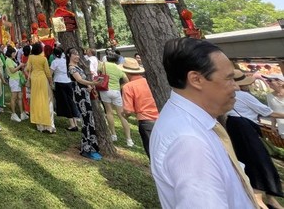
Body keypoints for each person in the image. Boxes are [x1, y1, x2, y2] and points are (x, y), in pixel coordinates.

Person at [150, 37, 257, 209]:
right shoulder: (189, 142)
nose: (236, 87)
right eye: (229, 78)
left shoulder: (192, 122)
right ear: (196, 79)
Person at [226, 69, 284, 209]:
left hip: (234, 130)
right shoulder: (243, 95)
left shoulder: (226, 95)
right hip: (247, 132)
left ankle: (269, 198)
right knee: (259, 163)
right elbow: (266, 112)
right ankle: (259, 199)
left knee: (252, 163)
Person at [67, 48, 102, 160]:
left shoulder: (77, 67)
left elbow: (82, 81)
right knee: (86, 121)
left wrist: (89, 86)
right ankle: (86, 148)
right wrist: (93, 83)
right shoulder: (71, 68)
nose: (77, 56)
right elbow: (79, 80)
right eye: (75, 54)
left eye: (78, 54)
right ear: (69, 56)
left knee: (89, 120)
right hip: (80, 97)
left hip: (85, 95)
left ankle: (92, 146)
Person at [120, 57, 158, 157]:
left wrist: (123, 115)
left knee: (153, 154)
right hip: (162, 118)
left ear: (126, 72)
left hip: (146, 121)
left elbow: (128, 111)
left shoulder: (128, 87)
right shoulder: (148, 81)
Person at [98, 57, 133, 146]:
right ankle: (129, 139)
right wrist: (120, 87)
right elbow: (127, 81)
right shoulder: (119, 68)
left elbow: (96, 71)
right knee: (122, 115)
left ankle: (113, 134)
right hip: (116, 92)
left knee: (109, 112)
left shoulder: (103, 65)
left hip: (105, 90)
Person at [50, 47, 79, 131]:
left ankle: (72, 124)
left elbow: (50, 73)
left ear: (54, 54)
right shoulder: (66, 60)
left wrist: (51, 83)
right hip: (68, 82)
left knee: (65, 103)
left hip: (59, 83)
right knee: (71, 101)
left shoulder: (54, 62)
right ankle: (75, 122)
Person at [27, 42, 53, 133]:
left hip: (34, 79)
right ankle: (48, 125)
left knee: (36, 101)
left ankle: (40, 125)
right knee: (46, 100)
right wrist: (50, 81)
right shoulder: (44, 59)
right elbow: (47, 72)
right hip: (42, 79)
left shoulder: (31, 58)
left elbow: (27, 69)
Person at [4, 46, 26, 122]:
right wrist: (20, 66)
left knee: (20, 96)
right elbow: (12, 71)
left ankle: (22, 113)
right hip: (13, 80)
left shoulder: (12, 60)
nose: (14, 54)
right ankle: (13, 114)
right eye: (13, 53)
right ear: (10, 53)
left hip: (17, 79)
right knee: (14, 97)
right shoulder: (8, 60)